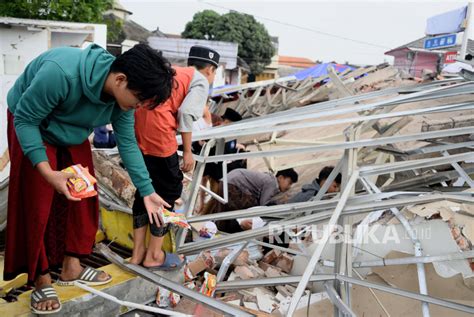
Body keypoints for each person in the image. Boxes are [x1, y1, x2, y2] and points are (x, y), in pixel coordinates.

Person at [5, 43, 175, 314]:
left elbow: (128, 143)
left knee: (84, 195)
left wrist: (147, 190)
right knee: (37, 203)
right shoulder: (61, 73)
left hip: (71, 129)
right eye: (139, 100)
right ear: (120, 80)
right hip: (31, 121)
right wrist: (48, 173)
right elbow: (25, 121)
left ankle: (72, 266)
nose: (139, 107)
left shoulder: (123, 99)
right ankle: (41, 278)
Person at [130, 45, 220, 270]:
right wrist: (188, 150)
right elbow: (186, 112)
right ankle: (153, 255)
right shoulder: (199, 80)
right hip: (159, 133)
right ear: (210, 69)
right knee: (168, 191)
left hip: (140, 125)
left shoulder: (178, 73)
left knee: (145, 190)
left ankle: (137, 252)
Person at [201, 168, 298, 233]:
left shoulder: (269, 180)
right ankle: (223, 232)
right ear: (281, 177)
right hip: (234, 184)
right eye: (289, 183)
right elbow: (263, 206)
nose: (289, 187)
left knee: (222, 212)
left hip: (228, 181)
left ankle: (210, 229)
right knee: (241, 211)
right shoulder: (272, 183)